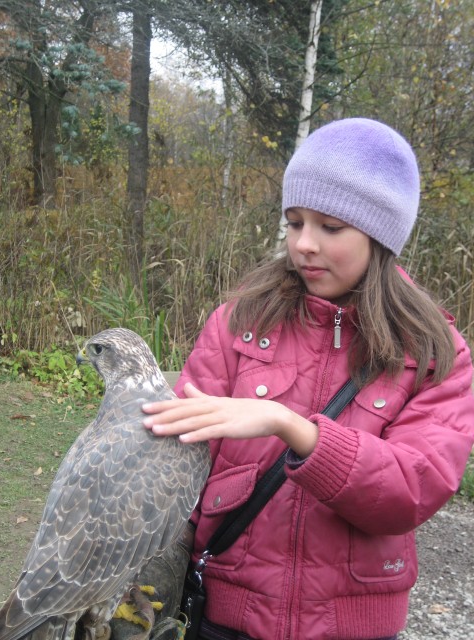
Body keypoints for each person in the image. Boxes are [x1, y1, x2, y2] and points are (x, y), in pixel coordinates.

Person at [142, 118, 474, 640]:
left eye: (330, 227)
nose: (304, 245)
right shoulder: (239, 322)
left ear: (381, 234)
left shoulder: (433, 349)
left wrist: (292, 426)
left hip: (353, 626)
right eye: (294, 222)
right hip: (225, 615)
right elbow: (177, 465)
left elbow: (414, 488)